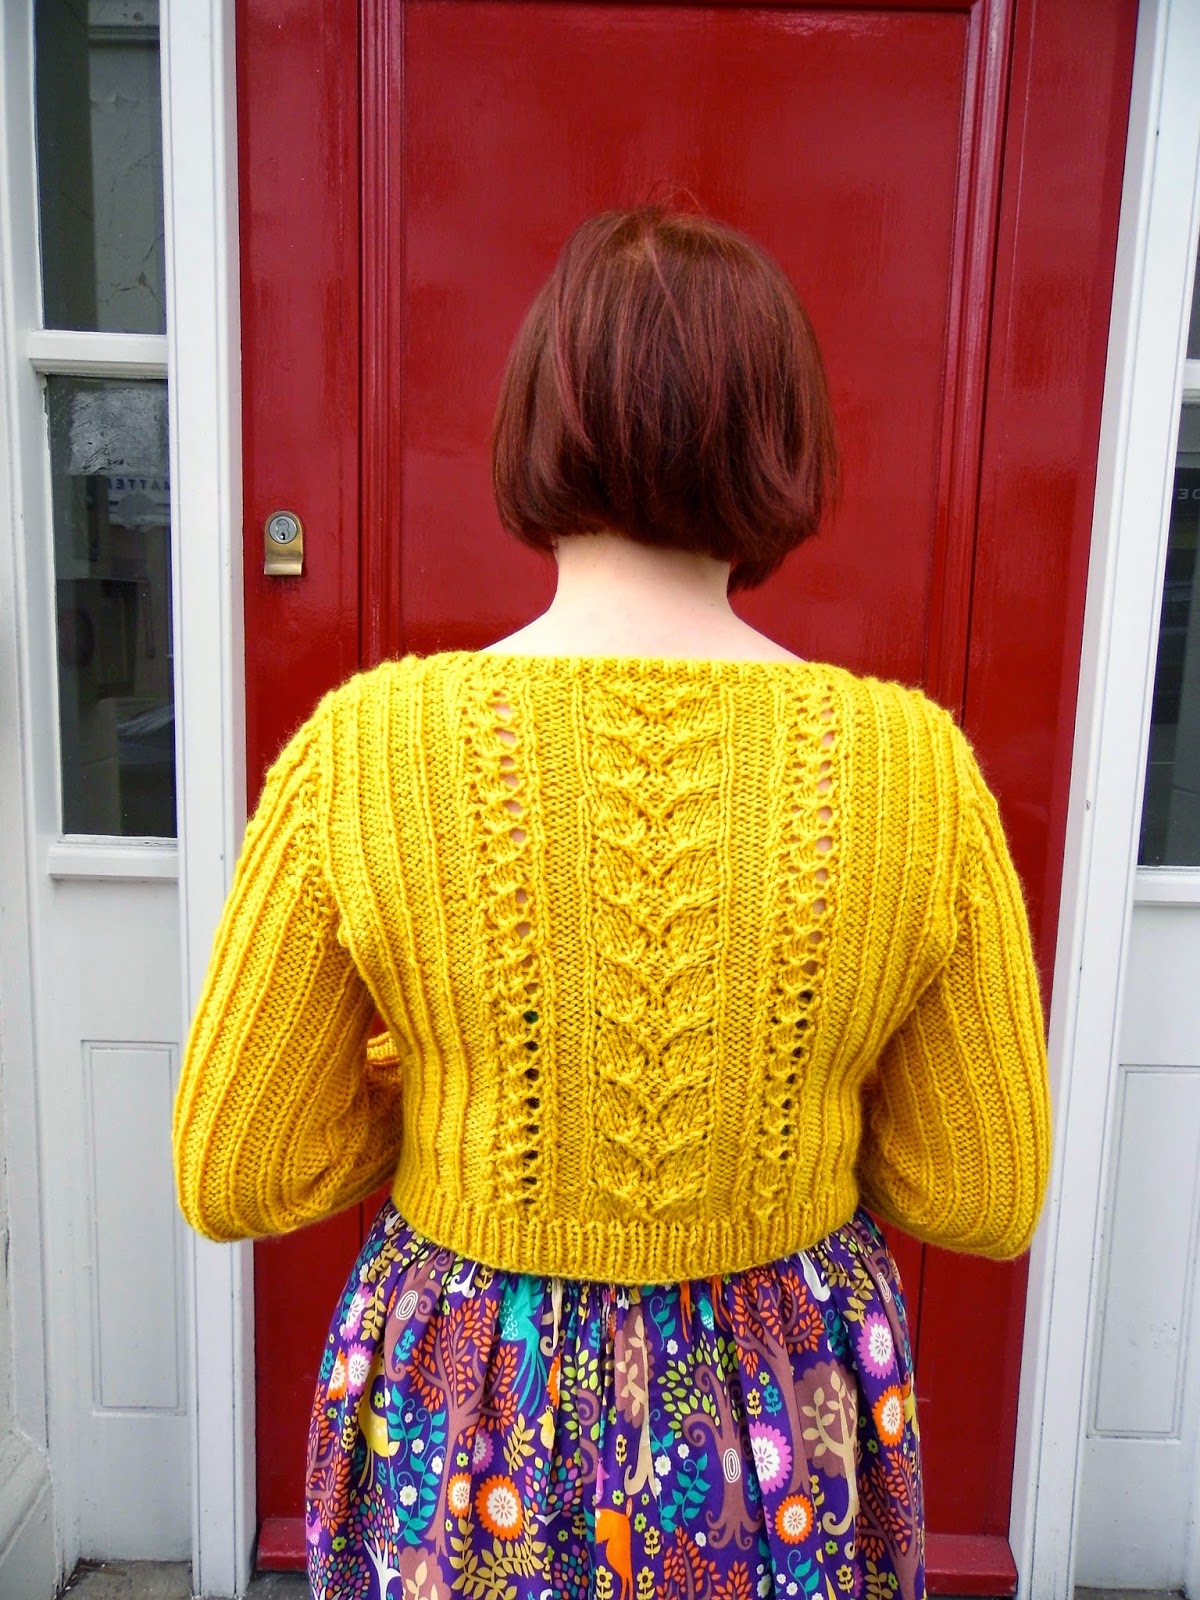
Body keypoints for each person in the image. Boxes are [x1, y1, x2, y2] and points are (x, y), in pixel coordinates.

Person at [173, 205, 1051, 1600]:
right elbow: (980, 1190)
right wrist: (798, 1083)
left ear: (541, 419)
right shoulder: (917, 773)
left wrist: (443, 1074)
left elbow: (240, 1167)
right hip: (781, 1419)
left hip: (473, 1410)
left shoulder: (368, 754)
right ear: (784, 441)